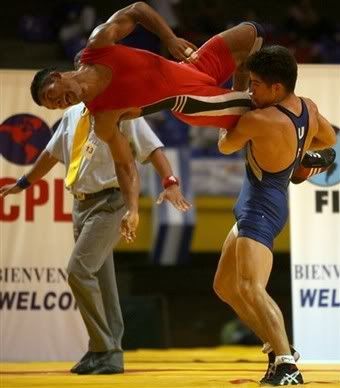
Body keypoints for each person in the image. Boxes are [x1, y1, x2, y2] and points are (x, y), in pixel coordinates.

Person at [30, 1, 265, 241]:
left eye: (52, 95)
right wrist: (132, 208)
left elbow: (137, 9)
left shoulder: (98, 45)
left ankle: (234, 114)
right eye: (56, 105)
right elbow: (125, 165)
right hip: (189, 101)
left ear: (56, 77)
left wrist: (170, 39)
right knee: (262, 107)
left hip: (193, 68)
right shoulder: (103, 118)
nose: (60, 102)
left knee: (253, 33)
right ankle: (246, 121)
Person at [0, 102, 191, 374]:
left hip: (111, 201)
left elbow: (152, 148)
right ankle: (104, 350)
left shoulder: (120, 110)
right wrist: (23, 184)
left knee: (78, 271)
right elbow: (50, 154)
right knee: (103, 280)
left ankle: (105, 349)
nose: (58, 98)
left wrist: (170, 183)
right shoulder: (72, 114)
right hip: (81, 203)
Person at [213, 45, 336, 385]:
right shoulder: (307, 108)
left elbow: (224, 144)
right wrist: (302, 158)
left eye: (255, 84)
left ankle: (287, 365)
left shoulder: (259, 119)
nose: (251, 90)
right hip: (264, 202)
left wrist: (229, 112)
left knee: (252, 287)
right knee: (225, 286)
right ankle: (277, 344)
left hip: (260, 209)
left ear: (276, 88)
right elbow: (328, 138)